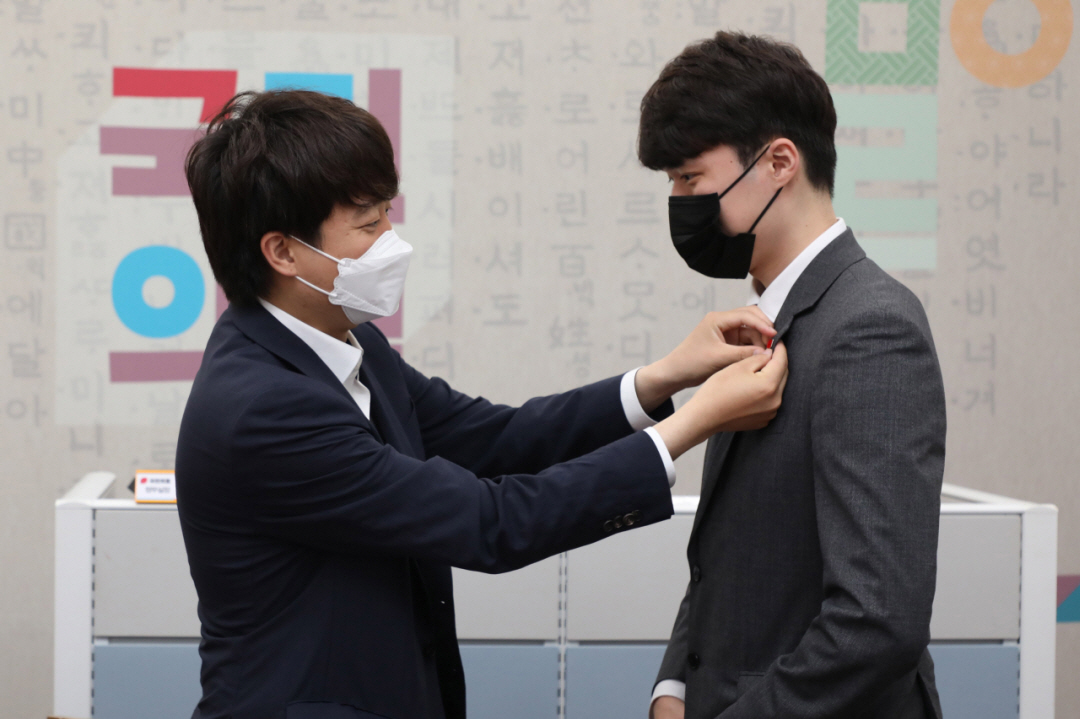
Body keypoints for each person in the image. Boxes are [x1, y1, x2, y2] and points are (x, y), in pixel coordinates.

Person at [176, 89, 788, 719]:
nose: (391, 241)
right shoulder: (265, 408)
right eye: (367, 224)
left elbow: (496, 439)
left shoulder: (352, 344)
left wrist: (665, 377)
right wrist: (695, 423)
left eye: (388, 214)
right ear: (282, 252)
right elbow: (489, 523)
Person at [639, 32, 947, 719]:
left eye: (690, 178)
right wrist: (674, 686)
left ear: (779, 162)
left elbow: (877, 621)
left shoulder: (871, 327)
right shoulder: (766, 320)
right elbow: (731, 553)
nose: (680, 201)